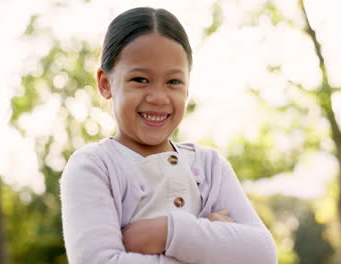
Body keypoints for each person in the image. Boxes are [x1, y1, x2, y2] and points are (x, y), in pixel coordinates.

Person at [60, 7, 277, 264]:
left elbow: (263, 254)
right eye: (140, 79)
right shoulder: (93, 167)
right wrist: (214, 245)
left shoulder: (210, 166)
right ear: (105, 83)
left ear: (188, 86)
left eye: (173, 82)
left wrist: (165, 232)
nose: (159, 97)